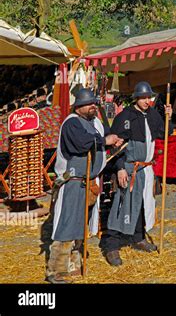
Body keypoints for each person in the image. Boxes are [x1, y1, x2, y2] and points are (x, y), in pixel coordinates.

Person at [46, 88, 122, 284]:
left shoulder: (95, 122)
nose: (93, 107)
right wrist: (105, 140)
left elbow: (101, 141)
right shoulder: (71, 122)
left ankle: (74, 265)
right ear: (78, 106)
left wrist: (112, 142)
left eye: (95, 103)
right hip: (72, 182)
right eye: (89, 104)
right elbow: (81, 144)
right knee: (67, 227)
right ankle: (56, 271)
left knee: (81, 227)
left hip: (89, 183)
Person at [100, 81, 173, 266]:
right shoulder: (125, 116)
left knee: (141, 204)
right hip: (130, 168)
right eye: (144, 98)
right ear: (136, 98)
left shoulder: (153, 114)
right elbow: (116, 146)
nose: (147, 100)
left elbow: (165, 133)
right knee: (121, 205)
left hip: (146, 169)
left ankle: (138, 238)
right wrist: (121, 167)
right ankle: (111, 246)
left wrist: (168, 117)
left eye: (149, 97)